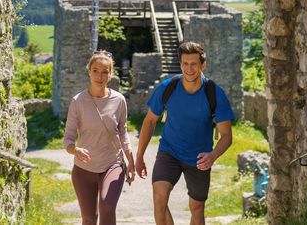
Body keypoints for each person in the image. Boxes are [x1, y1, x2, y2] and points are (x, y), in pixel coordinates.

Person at [135, 42, 235, 225]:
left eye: (194, 64)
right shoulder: (168, 88)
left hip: (199, 158)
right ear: (180, 64)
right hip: (169, 152)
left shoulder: (214, 93)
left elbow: (227, 136)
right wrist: (139, 155)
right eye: (185, 64)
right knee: (159, 198)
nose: (189, 69)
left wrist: (212, 156)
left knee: (197, 208)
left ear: (203, 65)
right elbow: (149, 121)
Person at [63, 51, 136, 225]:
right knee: (89, 218)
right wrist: (75, 150)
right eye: (95, 70)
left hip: (112, 164)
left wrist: (131, 160)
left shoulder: (118, 100)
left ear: (110, 74)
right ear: (89, 71)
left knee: (107, 207)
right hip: (83, 169)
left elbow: (123, 132)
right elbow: (68, 138)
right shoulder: (78, 101)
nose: (100, 76)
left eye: (105, 71)